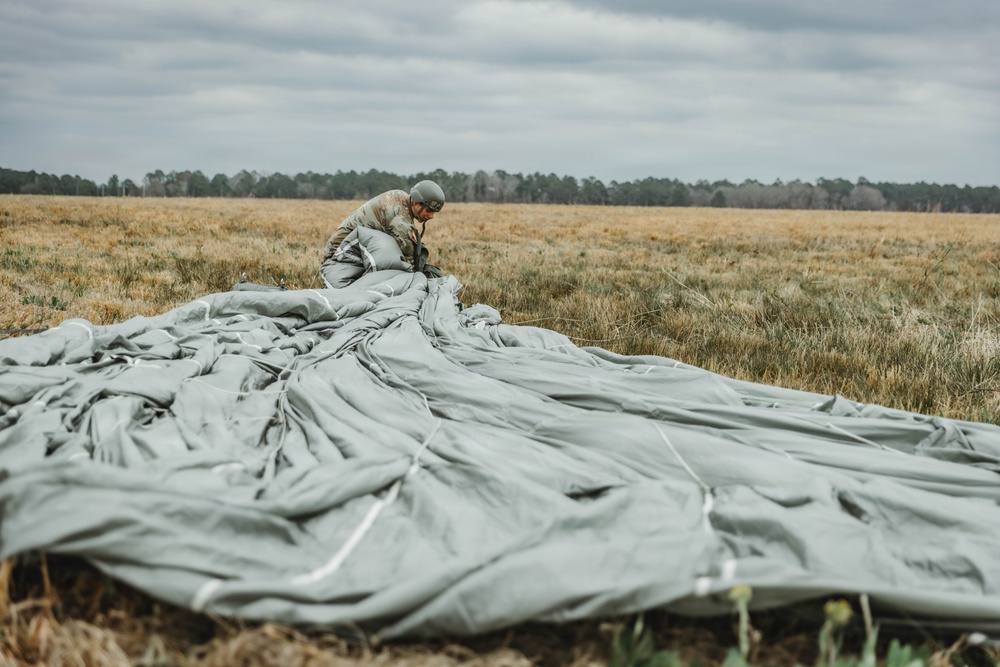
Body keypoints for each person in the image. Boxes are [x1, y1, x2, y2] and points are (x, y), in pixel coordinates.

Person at [319, 180, 446, 288]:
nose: (431, 216)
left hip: (354, 250)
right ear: (416, 202)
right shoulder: (400, 221)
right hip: (340, 257)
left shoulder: (400, 196)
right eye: (429, 210)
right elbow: (408, 263)